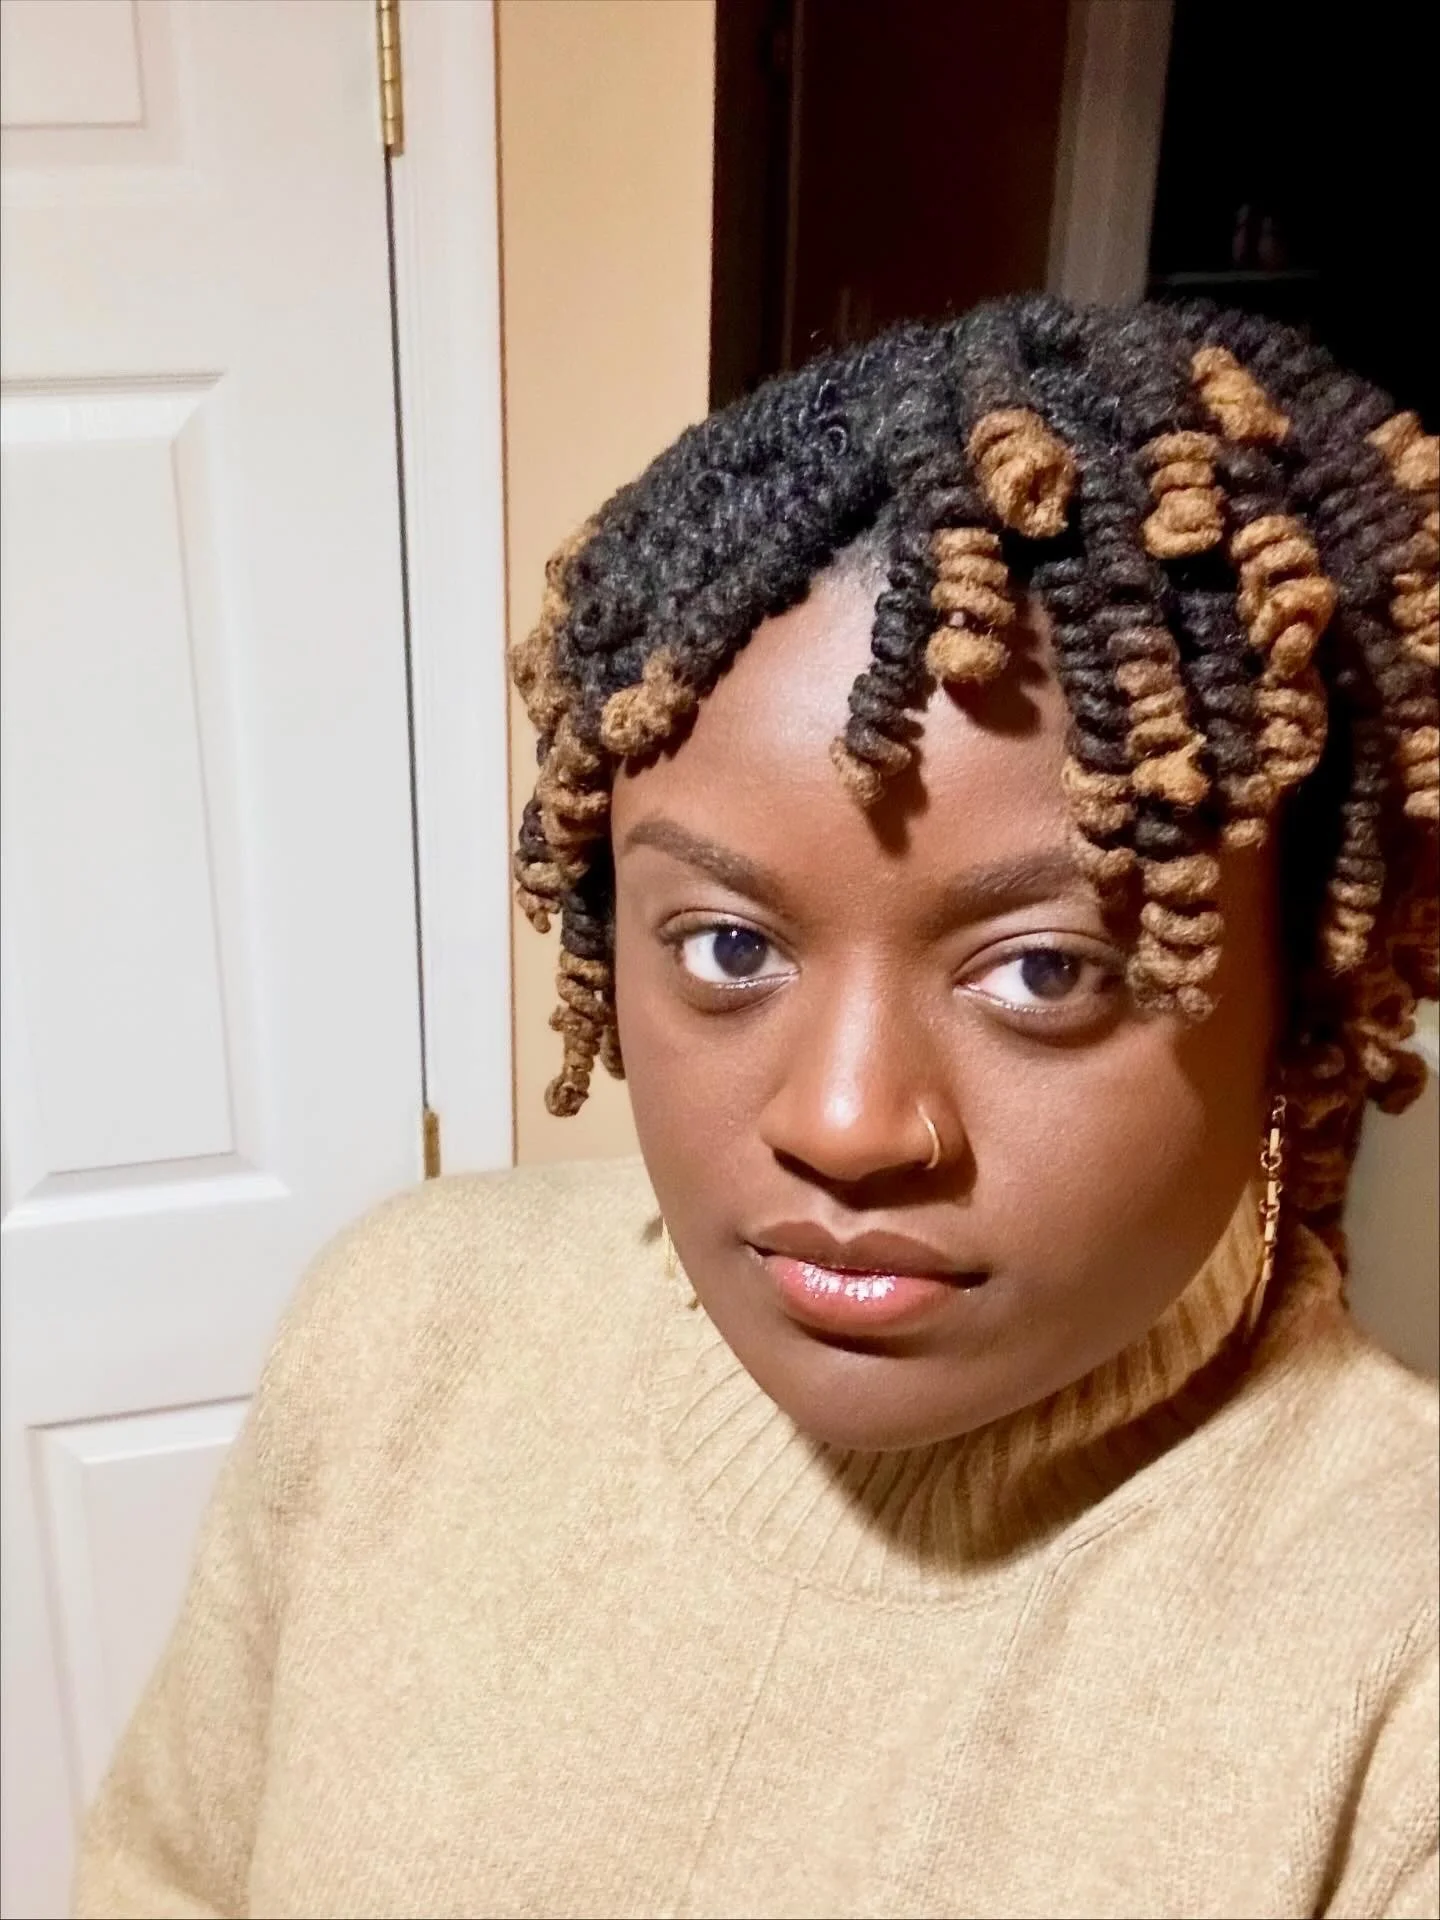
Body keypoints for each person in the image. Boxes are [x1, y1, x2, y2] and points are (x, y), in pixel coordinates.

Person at [76, 297, 1438, 1920]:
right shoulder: (404, 1336)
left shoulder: (1396, 1670)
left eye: (1046, 974)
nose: (850, 1125)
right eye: (727, 946)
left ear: (1300, 1002)